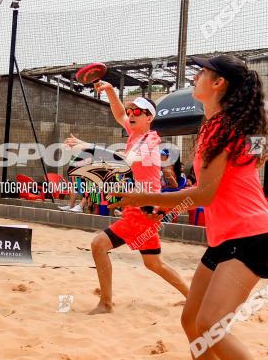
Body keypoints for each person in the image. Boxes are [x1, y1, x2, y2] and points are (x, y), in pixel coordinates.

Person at [111, 54, 268, 360]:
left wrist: (143, 200)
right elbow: (219, 189)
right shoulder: (228, 125)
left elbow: (205, 194)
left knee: (210, 324)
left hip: (250, 237)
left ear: (219, 83)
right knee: (191, 320)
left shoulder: (221, 128)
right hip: (227, 237)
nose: (197, 76)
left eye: (203, 72)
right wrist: (159, 208)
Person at [65, 88, 189, 314]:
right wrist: (110, 91)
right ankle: (192, 298)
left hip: (143, 210)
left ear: (149, 117)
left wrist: (86, 147)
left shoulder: (149, 141)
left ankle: (105, 303)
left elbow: (124, 161)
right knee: (154, 263)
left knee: (98, 245)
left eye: (138, 111)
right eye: (131, 110)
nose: (131, 114)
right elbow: (119, 114)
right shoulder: (135, 135)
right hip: (144, 207)